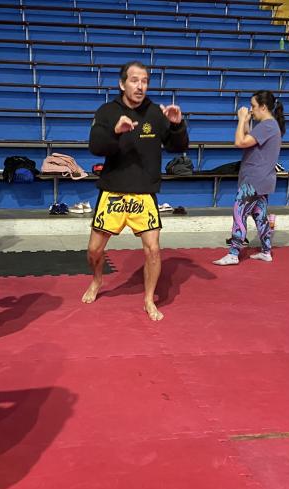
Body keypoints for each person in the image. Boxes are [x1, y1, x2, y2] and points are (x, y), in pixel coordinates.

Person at [83, 61, 189, 321]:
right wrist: (116, 133)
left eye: (144, 81)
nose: (140, 86)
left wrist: (177, 126)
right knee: (94, 251)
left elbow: (178, 147)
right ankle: (97, 280)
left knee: (153, 249)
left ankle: (148, 299)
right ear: (122, 84)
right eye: (134, 80)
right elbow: (95, 146)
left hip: (144, 193)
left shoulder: (155, 113)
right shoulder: (107, 111)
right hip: (113, 192)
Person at [213, 90, 284, 265]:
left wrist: (240, 119)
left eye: (253, 106)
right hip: (261, 179)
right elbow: (249, 139)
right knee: (260, 215)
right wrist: (245, 122)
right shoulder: (269, 126)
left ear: (263, 107)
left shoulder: (267, 125)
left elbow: (240, 142)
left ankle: (233, 253)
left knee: (239, 213)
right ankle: (266, 251)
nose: (251, 109)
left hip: (254, 180)